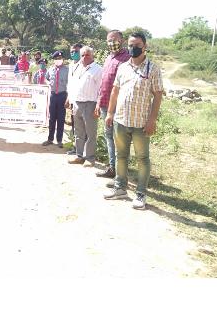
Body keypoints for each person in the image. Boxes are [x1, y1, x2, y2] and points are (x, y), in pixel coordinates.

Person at [103, 32, 164, 209]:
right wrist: (110, 113)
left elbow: (158, 95)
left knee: (142, 159)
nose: (133, 48)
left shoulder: (153, 68)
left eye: (137, 44)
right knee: (121, 156)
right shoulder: (123, 67)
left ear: (144, 46)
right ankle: (120, 188)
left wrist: (152, 120)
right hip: (121, 121)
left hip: (141, 124)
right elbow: (115, 91)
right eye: (130, 44)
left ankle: (140, 194)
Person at [93, 30, 131, 178]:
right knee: (109, 137)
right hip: (104, 105)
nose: (111, 43)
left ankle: (121, 172)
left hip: (118, 106)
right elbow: (104, 82)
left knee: (119, 139)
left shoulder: (127, 58)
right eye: (109, 40)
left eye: (114, 39)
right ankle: (112, 168)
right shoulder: (108, 58)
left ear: (122, 41)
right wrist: (98, 102)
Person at [67, 46, 103, 167]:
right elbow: (73, 85)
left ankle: (90, 158)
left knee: (90, 133)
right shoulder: (77, 67)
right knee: (78, 132)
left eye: (87, 55)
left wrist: (98, 105)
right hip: (77, 103)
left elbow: (101, 90)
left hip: (90, 104)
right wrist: (71, 101)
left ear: (92, 55)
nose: (84, 57)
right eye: (82, 55)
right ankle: (79, 156)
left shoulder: (98, 69)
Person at [42, 51, 69, 148]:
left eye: (60, 58)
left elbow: (70, 84)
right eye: (57, 59)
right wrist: (48, 82)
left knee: (61, 119)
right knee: (52, 118)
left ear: (63, 60)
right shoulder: (50, 70)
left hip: (62, 95)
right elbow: (46, 78)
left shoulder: (67, 70)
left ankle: (59, 140)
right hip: (53, 96)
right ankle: (50, 139)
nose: (58, 60)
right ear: (54, 60)